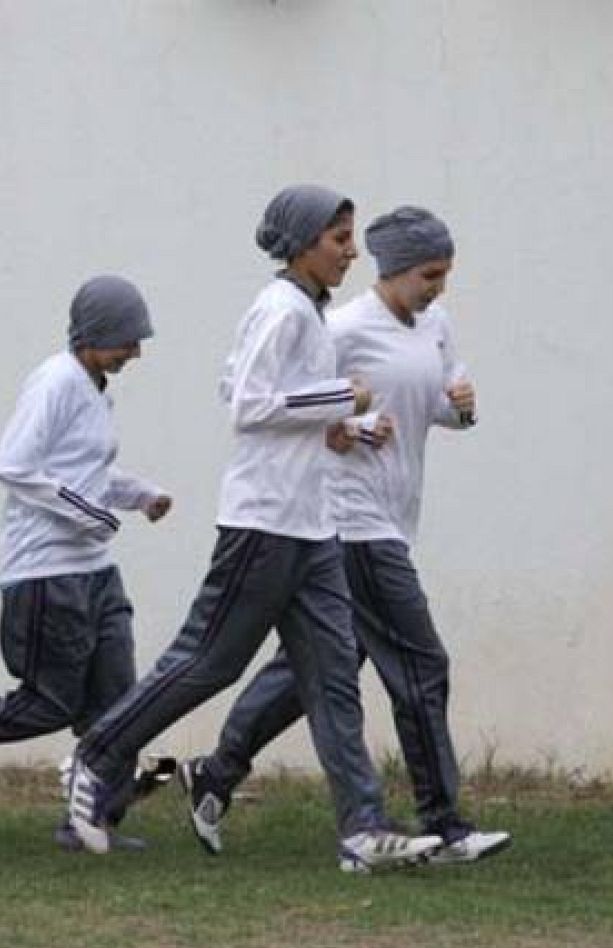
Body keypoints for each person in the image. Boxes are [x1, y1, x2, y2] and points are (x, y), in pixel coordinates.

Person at [63, 185, 444, 873]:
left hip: (312, 527)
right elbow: (248, 405)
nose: (352, 253)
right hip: (264, 524)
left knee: (332, 681)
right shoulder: (282, 309)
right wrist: (341, 396)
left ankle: (362, 831)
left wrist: (348, 426)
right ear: (302, 243)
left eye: (351, 239)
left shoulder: (305, 312)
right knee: (208, 662)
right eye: (339, 240)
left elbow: (238, 383)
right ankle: (94, 756)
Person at [180, 206, 510, 865]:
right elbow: (286, 398)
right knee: (421, 662)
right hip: (351, 519)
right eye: (428, 274)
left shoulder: (435, 325)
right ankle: (444, 823)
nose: (438, 287)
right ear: (393, 270)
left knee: (313, 671)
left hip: (394, 514)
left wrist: (461, 410)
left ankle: (214, 773)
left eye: (445, 274)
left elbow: (435, 405)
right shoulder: (340, 325)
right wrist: (353, 427)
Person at [0, 276, 173, 850]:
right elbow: (15, 466)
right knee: (47, 704)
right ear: (92, 336)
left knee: (117, 704)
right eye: (126, 340)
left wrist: (140, 495)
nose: (136, 353)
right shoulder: (55, 383)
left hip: (94, 570)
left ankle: (90, 822)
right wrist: (88, 515)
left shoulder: (96, 389)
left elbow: (82, 474)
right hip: (46, 575)